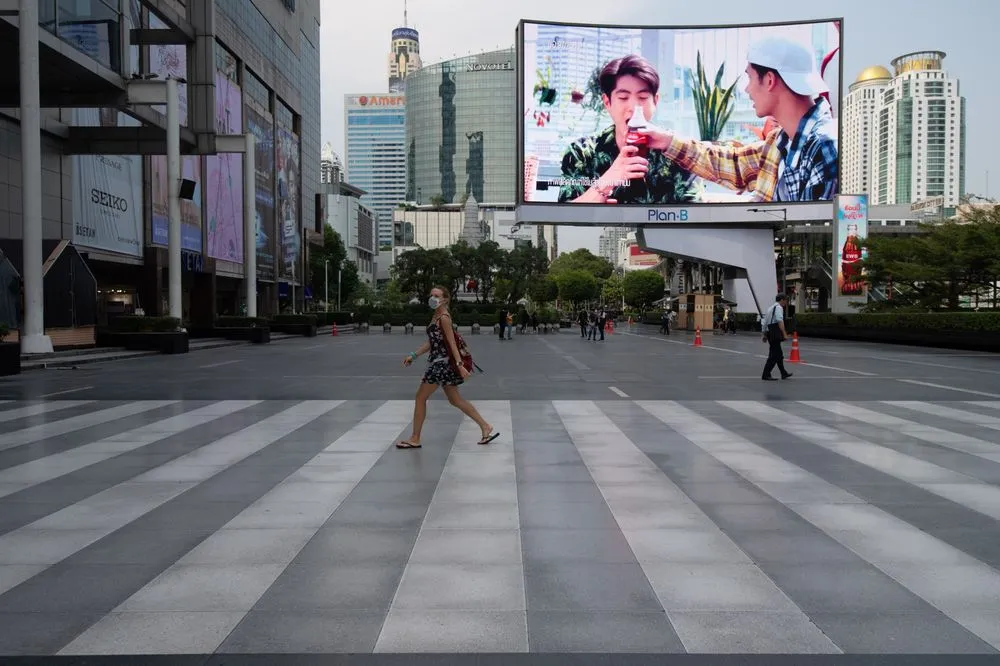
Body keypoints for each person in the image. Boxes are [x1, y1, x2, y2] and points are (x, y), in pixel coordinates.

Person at [636, 36, 838, 202]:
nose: (746, 89)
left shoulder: (824, 147)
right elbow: (733, 164)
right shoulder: (779, 142)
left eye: (749, 77)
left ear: (769, 80)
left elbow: (815, 234)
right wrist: (665, 140)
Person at [557, 54, 697, 205]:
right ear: (607, 102)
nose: (634, 108)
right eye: (623, 98)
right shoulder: (581, 153)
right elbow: (564, 216)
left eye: (643, 98)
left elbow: (693, 218)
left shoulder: (677, 152)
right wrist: (607, 180)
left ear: (655, 102)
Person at [399, 285, 500, 448]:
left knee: (420, 397)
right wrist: (414, 355)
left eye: (437, 295)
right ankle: (485, 426)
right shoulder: (436, 316)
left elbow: (452, 343)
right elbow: (433, 342)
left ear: (445, 299)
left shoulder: (444, 317)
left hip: (441, 365)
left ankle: (415, 438)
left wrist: (460, 365)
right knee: (455, 400)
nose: (433, 298)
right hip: (440, 363)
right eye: (431, 295)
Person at [761, 293, 793, 381]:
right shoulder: (778, 308)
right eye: (786, 300)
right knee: (774, 355)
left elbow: (765, 322)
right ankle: (766, 374)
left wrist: (764, 334)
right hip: (775, 333)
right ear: (782, 300)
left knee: (778, 354)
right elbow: (780, 321)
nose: (786, 303)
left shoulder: (770, 308)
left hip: (769, 332)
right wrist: (784, 333)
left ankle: (783, 373)